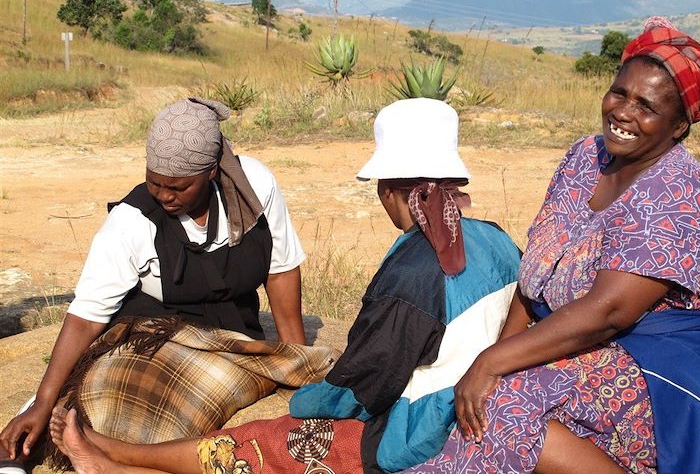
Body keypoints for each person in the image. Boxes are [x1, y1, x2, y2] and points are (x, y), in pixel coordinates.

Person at [46, 97, 523, 474]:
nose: (166, 196)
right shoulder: (499, 240)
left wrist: (307, 398)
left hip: (423, 426)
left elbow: (363, 387)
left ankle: (118, 458)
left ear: (387, 189)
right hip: (478, 404)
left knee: (267, 445)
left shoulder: (411, 273)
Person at [407, 18, 700, 473]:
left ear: (678, 127)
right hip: (577, 338)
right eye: (620, 93)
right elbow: (536, 275)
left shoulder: (676, 190)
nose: (624, 112)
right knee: (480, 401)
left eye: (647, 106)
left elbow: (610, 312)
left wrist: (494, 364)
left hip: (657, 366)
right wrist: (496, 358)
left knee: (509, 409)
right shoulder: (584, 158)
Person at [0, 98, 309, 470]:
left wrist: (296, 360)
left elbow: (281, 270)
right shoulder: (132, 221)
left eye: (178, 187)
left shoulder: (254, 186)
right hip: (150, 333)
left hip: (229, 336)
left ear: (211, 171)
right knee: (112, 402)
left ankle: (108, 456)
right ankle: (47, 442)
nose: (164, 195)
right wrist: (42, 401)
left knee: (191, 407)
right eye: (155, 182)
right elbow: (85, 317)